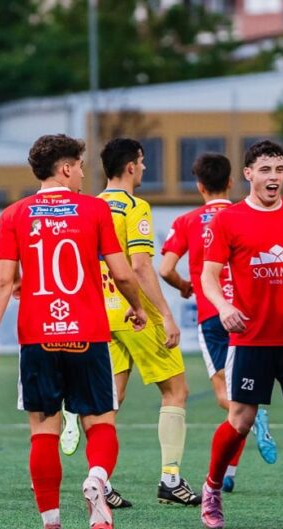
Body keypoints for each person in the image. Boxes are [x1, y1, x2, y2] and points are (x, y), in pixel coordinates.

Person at [0, 133, 147, 529]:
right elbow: (124, 273)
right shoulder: (93, 210)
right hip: (88, 334)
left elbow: (4, 281)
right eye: (79, 166)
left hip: (38, 337)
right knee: (101, 423)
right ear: (66, 168)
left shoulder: (14, 214)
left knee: (43, 431)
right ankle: (97, 479)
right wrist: (138, 308)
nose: (82, 175)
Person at [198, 139, 283, 529]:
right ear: (248, 174)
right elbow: (208, 276)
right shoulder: (228, 220)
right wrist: (224, 307)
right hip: (250, 339)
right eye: (266, 170)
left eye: (280, 170)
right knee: (240, 419)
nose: (274, 178)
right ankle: (212, 488)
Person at [159, 154, 277, 494]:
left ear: (199, 186)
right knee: (243, 394)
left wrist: (185, 286)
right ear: (231, 182)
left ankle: (255, 422)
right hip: (250, 314)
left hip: (214, 316)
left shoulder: (187, 221)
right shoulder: (246, 214)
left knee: (228, 397)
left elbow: (165, 268)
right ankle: (229, 473)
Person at [96, 137, 200, 507]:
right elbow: (139, 266)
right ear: (129, 167)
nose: (144, 168)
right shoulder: (134, 207)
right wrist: (166, 315)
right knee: (176, 392)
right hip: (134, 312)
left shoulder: (90, 207)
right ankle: (170, 478)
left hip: (101, 313)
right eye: (141, 162)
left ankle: (100, 479)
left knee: (110, 399)